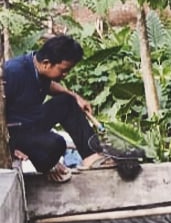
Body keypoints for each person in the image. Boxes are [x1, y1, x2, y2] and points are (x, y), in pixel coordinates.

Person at [3, 35, 109, 183]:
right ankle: (48, 165)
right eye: (64, 70)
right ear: (47, 63)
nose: (65, 75)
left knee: (68, 101)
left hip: (31, 121)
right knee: (56, 144)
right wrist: (8, 148)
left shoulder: (38, 67)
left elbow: (49, 85)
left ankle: (91, 157)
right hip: (12, 133)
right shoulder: (12, 72)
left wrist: (75, 96)